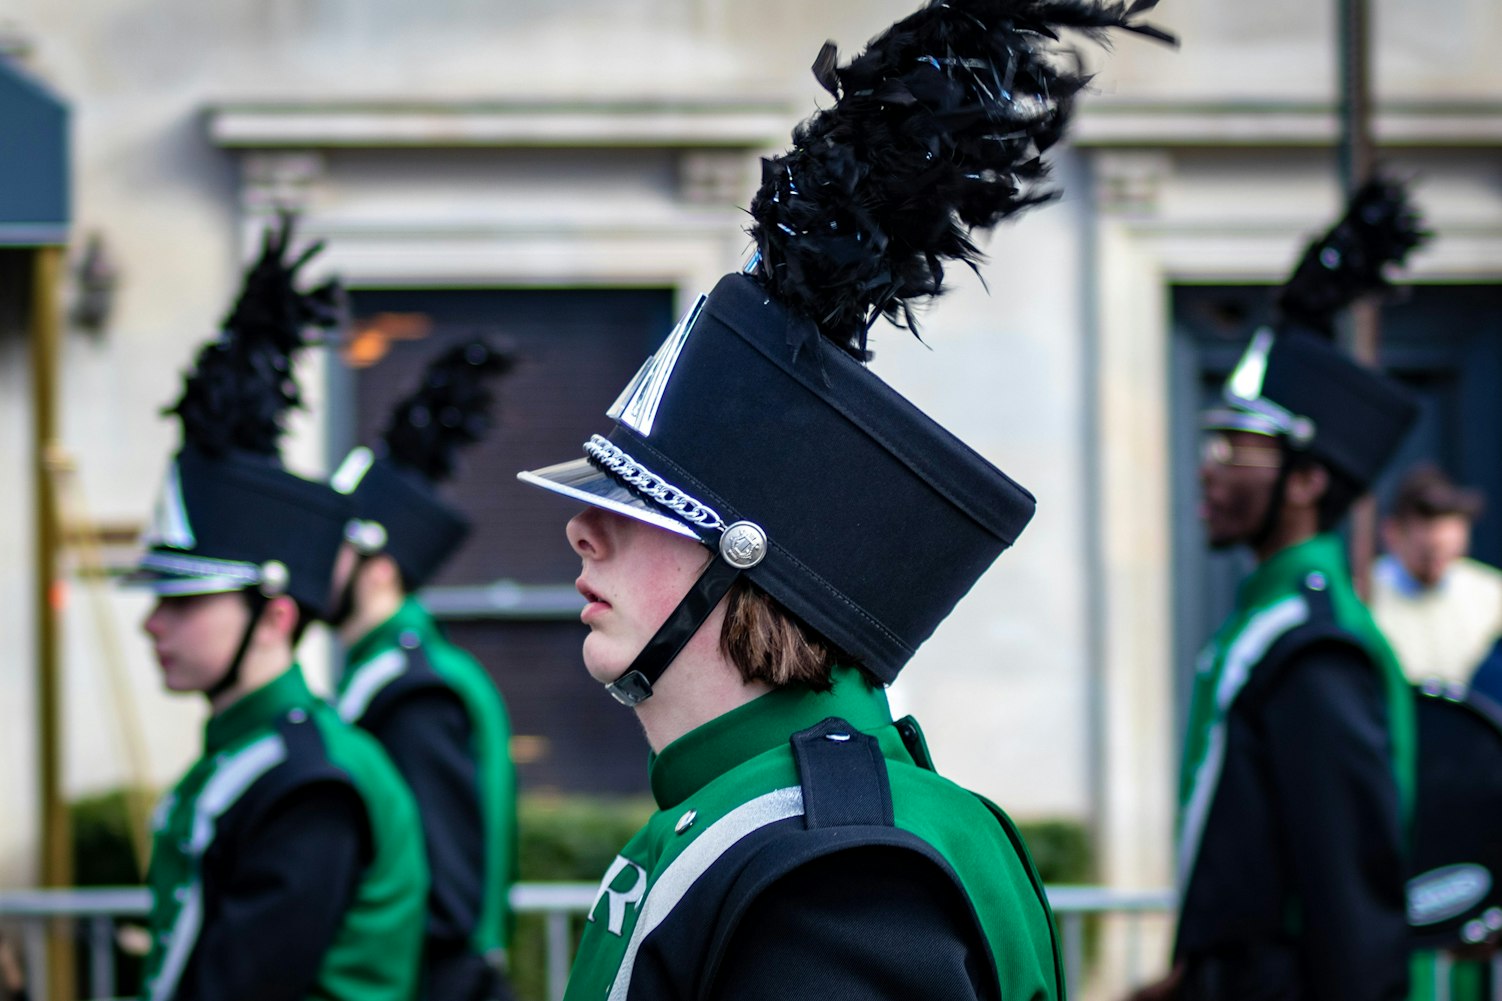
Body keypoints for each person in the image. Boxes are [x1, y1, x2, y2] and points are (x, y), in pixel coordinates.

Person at [516, 1, 1173, 998]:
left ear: (747, 551)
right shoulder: (754, 815)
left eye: (641, 507)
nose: (581, 528)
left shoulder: (836, 868)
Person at [1127, 180, 1426, 1001]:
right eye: (1216, 442)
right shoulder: (1266, 623)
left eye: (1239, 449)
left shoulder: (1316, 648)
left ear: (1307, 481)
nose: (1211, 465)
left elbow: (1349, 908)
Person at [127, 218, 428, 1001]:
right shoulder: (252, 755)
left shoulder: (306, 779)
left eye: (184, 600)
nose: (153, 623)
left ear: (276, 617)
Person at [327, 339, 519, 1001]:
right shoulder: (388, 674)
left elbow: (444, 899)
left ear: (379, 568)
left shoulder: (414, 692)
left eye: (337, 548)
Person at [1372, 463, 1502, 685]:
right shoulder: (1365, 595)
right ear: (1393, 533)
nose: (1436, 548)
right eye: (1427, 550)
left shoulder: (1491, 594)